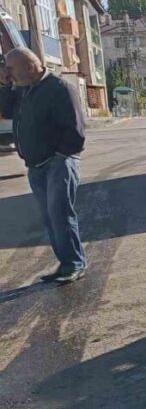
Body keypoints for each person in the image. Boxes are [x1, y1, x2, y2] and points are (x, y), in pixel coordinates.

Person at [6, 48, 88, 283]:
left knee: (60, 215)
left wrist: (61, 156)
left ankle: (74, 264)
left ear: (30, 67)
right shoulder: (25, 90)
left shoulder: (59, 88)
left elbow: (76, 131)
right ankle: (66, 264)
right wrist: (6, 84)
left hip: (58, 163)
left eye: (12, 70)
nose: (9, 74)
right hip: (36, 165)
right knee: (50, 218)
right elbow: (5, 110)